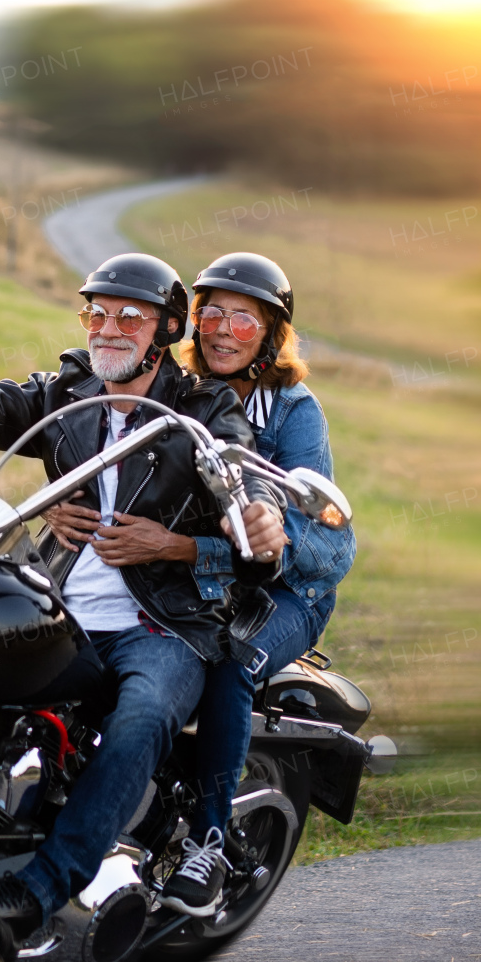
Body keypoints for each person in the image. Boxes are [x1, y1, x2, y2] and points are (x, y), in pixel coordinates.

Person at [0, 251, 287, 962]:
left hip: (163, 625)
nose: (107, 327)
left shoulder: (205, 410)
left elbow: (239, 479)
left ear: (165, 330)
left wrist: (246, 518)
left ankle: (36, 892)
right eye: (96, 312)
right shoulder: (72, 390)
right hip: (61, 604)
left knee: (143, 713)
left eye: (128, 317)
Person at [158, 250, 357, 919]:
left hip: (286, 594)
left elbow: (332, 546)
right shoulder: (178, 391)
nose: (219, 329)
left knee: (230, 663)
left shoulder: (294, 413)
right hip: (197, 572)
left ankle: (209, 843)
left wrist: (276, 532)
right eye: (210, 311)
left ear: (271, 334)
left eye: (242, 319)